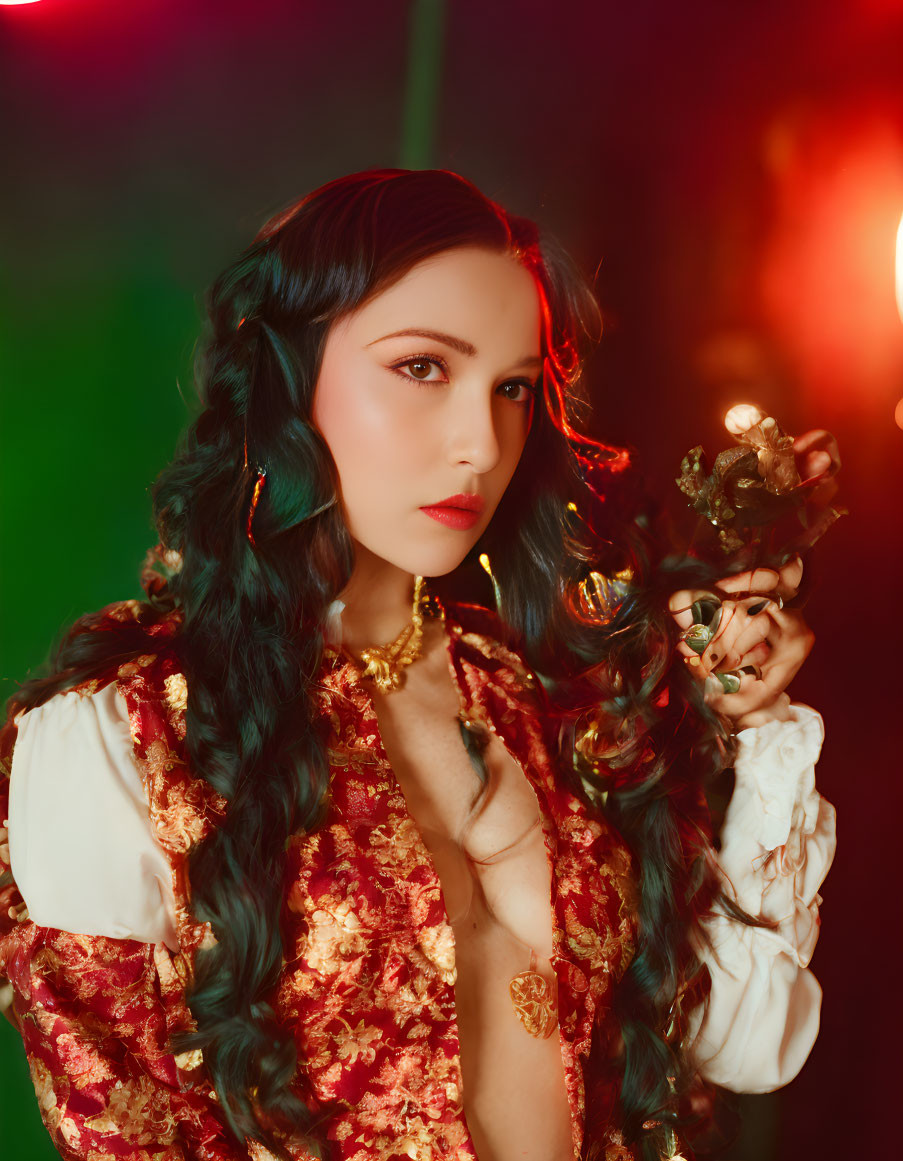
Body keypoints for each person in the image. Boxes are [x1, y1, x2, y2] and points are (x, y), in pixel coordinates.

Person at [0, 169, 835, 1161]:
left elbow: (739, 1042)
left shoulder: (548, 700)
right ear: (287, 375)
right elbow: (123, 1131)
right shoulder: (123, 739)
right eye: (422, 368)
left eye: (513, 388)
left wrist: (750, 728)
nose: (480, 444)